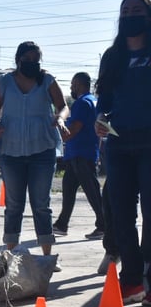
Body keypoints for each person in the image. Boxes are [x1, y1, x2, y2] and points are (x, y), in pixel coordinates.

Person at [0, 41, 69, 265]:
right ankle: (10, 255)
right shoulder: (4, 82)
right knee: (14, 204)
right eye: (27, 60)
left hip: (42, 150)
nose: (32, 64)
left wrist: (60, 119)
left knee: (41, 203)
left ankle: (48, 257)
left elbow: (63, 106)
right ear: (18, 59)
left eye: (36, 60)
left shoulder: (47, 80)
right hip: (10, 152)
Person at [94, 0, 151, 305]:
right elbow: (104, 101)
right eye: (125, 10)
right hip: (118, 143)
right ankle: (130, 279)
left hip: (150, 142)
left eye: (136, 10)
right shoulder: (112, 56)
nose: (130, 15)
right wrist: (100, 118)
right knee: (121, 214)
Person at [52, 72, 105, 240]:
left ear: (78, 85)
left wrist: (58, 123)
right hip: (81, 153)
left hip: (80, 154)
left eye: (72, 85)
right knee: (68, 190)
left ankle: (104, 225)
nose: (71, 89)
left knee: (93, 192)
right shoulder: (94, 101)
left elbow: (71, 131)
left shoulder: (82, 103)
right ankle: (61, 224)